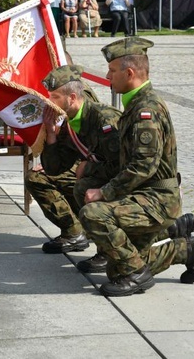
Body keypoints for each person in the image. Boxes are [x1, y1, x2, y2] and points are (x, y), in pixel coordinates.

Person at [79, 37, 194, 297]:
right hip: (146, 195)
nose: (107, 76)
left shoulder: (144, 110)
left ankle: (137, 275)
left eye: (112, 71)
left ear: (129, 73)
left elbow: (142, 166)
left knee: (94, 214)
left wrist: (104, 192)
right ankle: (188, 249)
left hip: (157, 199)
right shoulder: (137, 103)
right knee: (116, 271)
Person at [27, 65, 121, 264]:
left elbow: (124, 166)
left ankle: (110, 250)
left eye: (54, 97)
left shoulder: (104, 119)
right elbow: (55, 168)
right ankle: (83, 236)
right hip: (102, 178)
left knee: (85, 187)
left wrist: (87, 168)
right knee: (72, 184)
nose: (49, 102)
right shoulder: (71, 123)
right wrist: (51, 134)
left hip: (128, 184)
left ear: (71, 98)